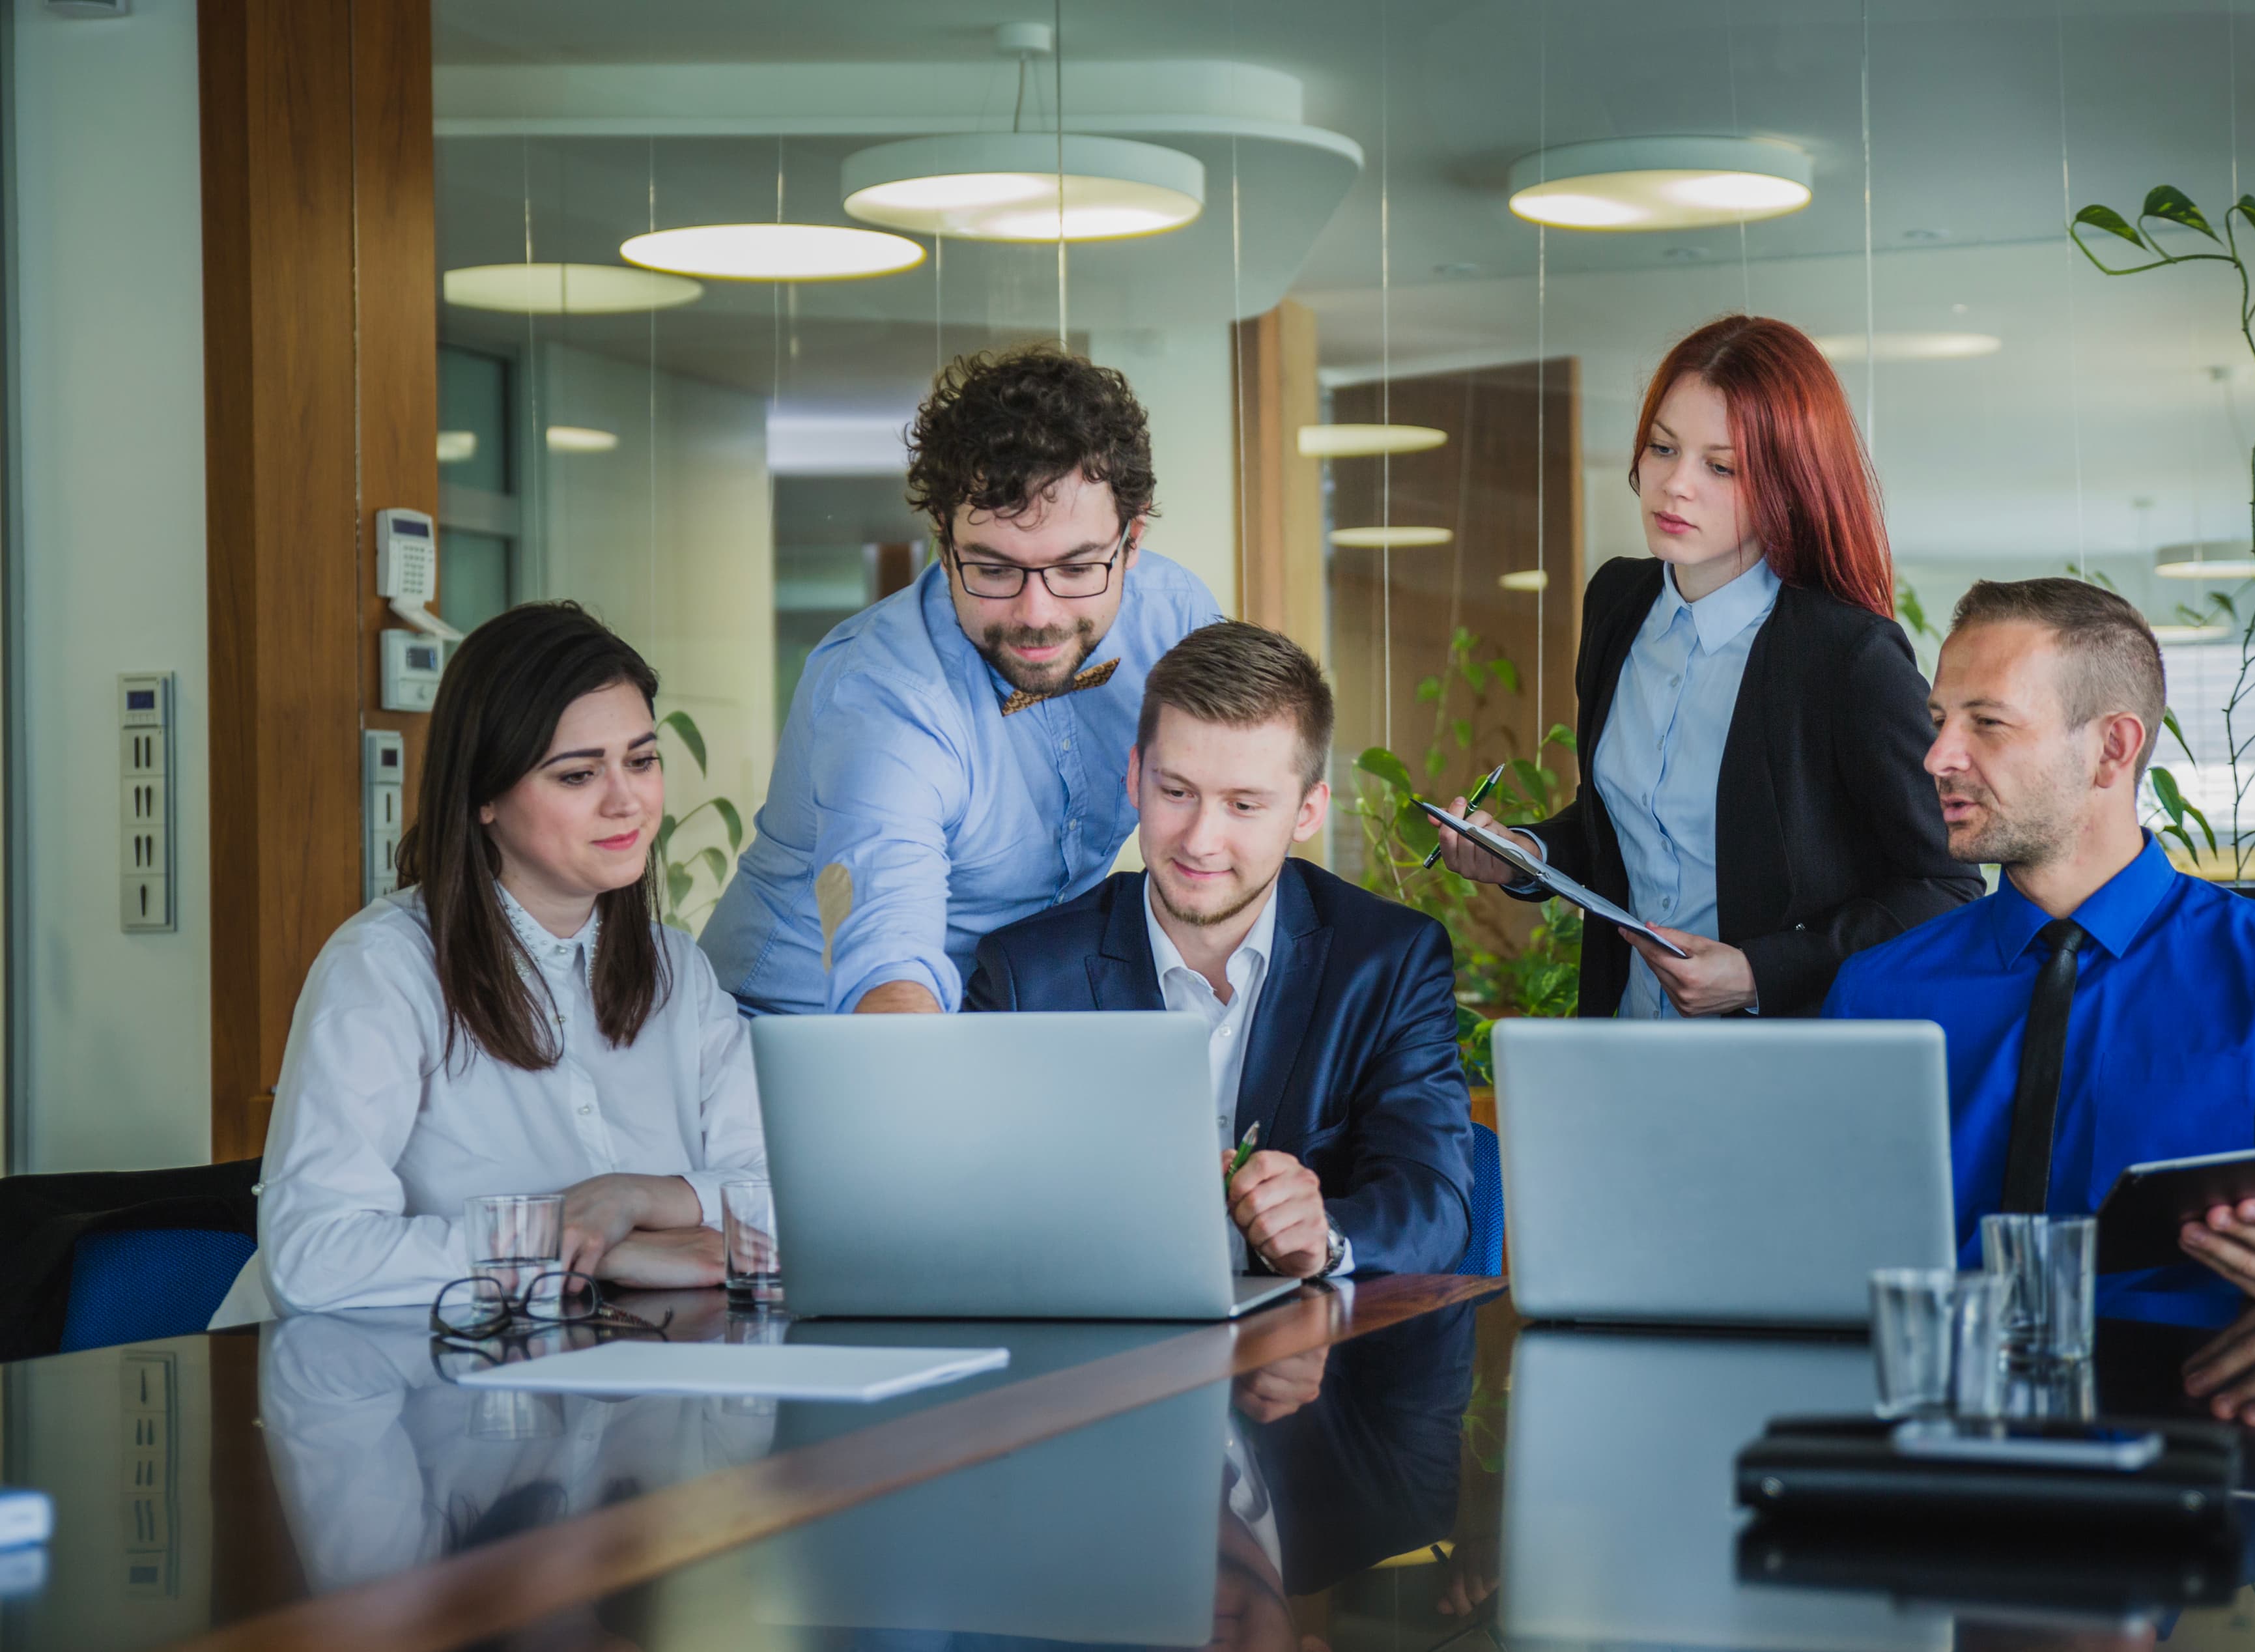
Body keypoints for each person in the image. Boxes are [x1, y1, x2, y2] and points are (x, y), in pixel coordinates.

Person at [1823, 578, 2255, 1314]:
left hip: (2202, 1405)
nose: (1937, 757)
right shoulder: (1875, 993)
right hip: (1934, 1410)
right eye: (1939, 720)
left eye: (1987, 722)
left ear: (2110, 749)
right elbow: (1815, 1233)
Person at [1432, 313, 1979, 1019]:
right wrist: (1526, 854)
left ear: (1789, 482)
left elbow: (1946, 888)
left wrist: (1761, 972)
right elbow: (1630, 831)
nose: (1675, 485)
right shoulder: (1617, 604)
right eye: (1662, 448)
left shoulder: (1846, 655)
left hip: (1777, 1070)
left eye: (1720, 466)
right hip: (1627, 1039)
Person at [253, 603, 765, 1313]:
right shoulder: (384, 969)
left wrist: (634, 1198)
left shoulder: (678, 969)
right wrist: (578, 1247)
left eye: (642, 761)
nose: (628, 802)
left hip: (613, 1371)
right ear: (485, 794)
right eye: (577, 775)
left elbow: (779, 1196)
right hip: (373, 1391)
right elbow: (314, 1257)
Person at [702, 345, 1224, 1016]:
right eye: (994, 569)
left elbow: (1243, 807)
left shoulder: (1174, 617)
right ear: (943, 543)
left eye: (1076, 567)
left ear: (1133, 540)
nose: (1038, 615)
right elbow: (889, 964)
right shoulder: (884, 693)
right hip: (794, 1039)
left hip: (1003, 1014)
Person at [965, 621, 1475, 1277]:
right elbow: (974, 1205)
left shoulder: (1389, 962)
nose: (1201, 840)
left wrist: (1327, 1236)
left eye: (1243, 805)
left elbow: (1434, 1200)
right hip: (1100, 1360)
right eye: (1176, 792)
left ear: (1308, 811)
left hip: (1312, 1363)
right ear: (1134, 778)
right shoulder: (1023, 975)